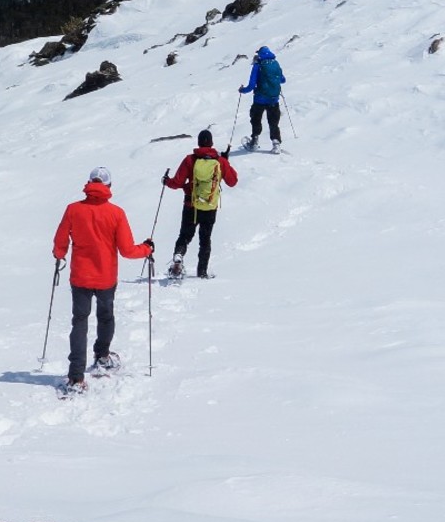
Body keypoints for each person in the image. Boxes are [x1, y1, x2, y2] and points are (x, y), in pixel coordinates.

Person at [52, 166, 154, 392]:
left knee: (79, 321)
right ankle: (102, 356)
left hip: (80, 276)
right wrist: (146, 249)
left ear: (89, 183)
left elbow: (60, 241)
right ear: (108, 186)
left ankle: (76, 376)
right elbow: (127, 250)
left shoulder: (73, 210)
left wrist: (59, 255)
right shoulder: (116, 213)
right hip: (106, 276)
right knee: (106, 316)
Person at [163, 130, 238, 279]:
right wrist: (225, 162)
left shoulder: (190, 160)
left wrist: (166, 181)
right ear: (211, 143)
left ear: (198, 142)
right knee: (205, 240)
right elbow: (233, 181)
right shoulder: (219, 161)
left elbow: (177, 182)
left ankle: (179, 256)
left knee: (184, 236)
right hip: (210, 207)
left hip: (191, 204)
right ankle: (202, 272)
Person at [238, 45, 286, 152]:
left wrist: (242, 90)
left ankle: (254, 141)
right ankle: (276, 143)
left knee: (256, 119)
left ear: (259, 54)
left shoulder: (258, 66)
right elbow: (283, 80)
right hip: (273, 99)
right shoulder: (276, 64)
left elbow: (251, 85)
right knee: (273, 121)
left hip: (259, 99)